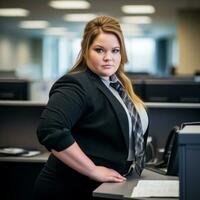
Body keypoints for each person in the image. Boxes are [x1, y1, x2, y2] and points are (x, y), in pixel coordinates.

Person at [34, 15, 149, 200]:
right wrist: (92, 169)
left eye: (115, 50)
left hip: (111, 184)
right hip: (70, 189)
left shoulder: (118, 85)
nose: (108, 57)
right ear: (86, 50)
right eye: (99, 50)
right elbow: (50, 129)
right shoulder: (76, 84)